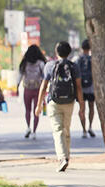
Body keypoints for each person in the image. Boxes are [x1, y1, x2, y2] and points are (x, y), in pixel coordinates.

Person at [36, 40, 85, 172]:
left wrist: (39, 105)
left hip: (54, 102)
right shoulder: (74, 67)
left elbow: (44, 86)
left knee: (58, 130)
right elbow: (78, 87)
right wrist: (82, 106)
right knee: (66, 129)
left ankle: (62, 158)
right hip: (69, 102)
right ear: (69, 52)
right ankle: (66, 157)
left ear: (56, 52)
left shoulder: (50, 65)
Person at [18, 44, 46, 138]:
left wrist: (17, 86)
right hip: (38, 89)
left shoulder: (24, 63)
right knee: (36, 110)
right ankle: (34, 131)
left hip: (27, 89)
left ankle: (28, 127)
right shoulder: (41, 63)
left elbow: (20, 76)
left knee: (27, 110)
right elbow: (45, 76)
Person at [76, 38, 96, 137]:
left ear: (82, 47)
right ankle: (90, 127)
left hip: (81, 88)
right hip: (91, 87)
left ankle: (84, 130)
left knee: (82, 109)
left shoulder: (78, 60)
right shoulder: (93, 59)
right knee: (91, 107)